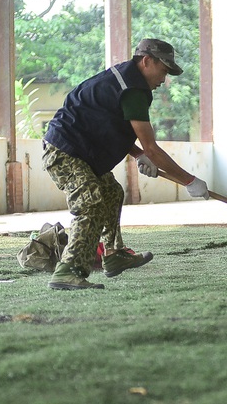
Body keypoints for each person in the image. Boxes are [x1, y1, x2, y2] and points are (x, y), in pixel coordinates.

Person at [42, 38, 209, 290]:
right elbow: (153, 147)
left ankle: (114, 255)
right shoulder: (133, 90)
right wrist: (189, 180)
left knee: (111, 192)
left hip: (80, 149)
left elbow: (107, 125)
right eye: (163, 70)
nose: (164, 80)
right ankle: (68, 271)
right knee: (90, 202)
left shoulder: (122, 80)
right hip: (65, 151)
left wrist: (137, 154)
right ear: (147, 61)